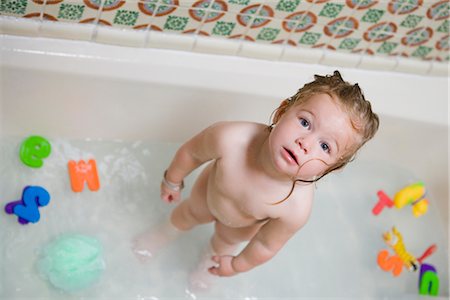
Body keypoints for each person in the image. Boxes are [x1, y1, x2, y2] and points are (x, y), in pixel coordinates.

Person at [132, 70, 379, 287]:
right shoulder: (231, 138)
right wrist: (172, 180)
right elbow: (191, 153)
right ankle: (161, 234)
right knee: (185, 215)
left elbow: (265, 245)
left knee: (222, 247)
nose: (305, 144)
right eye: (305, 122)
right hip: (207, 194)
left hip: (240, 227)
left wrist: (236, 265)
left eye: (325, 147)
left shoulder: (296, 207)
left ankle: (207, 266)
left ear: (331, 168)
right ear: (283, 111)